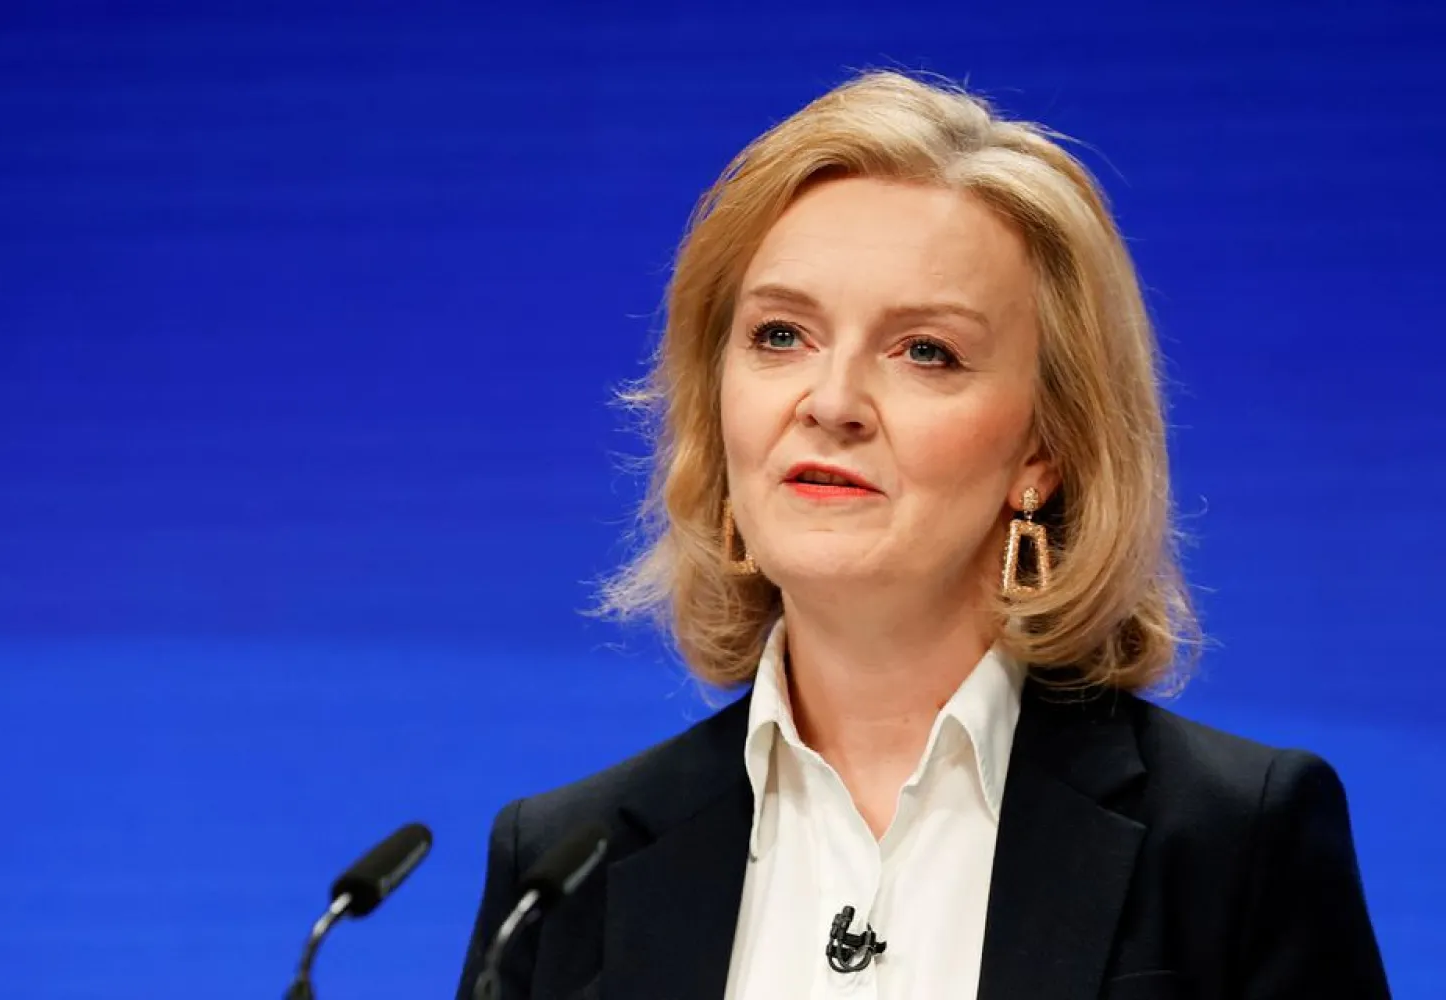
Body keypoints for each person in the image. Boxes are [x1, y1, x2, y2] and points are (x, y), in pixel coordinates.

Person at [454, 70, 1390, 999]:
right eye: (781, 335)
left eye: (926, 351)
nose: (830, 403)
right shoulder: (563, 870)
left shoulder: (1233, 841)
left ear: (1044, 448)